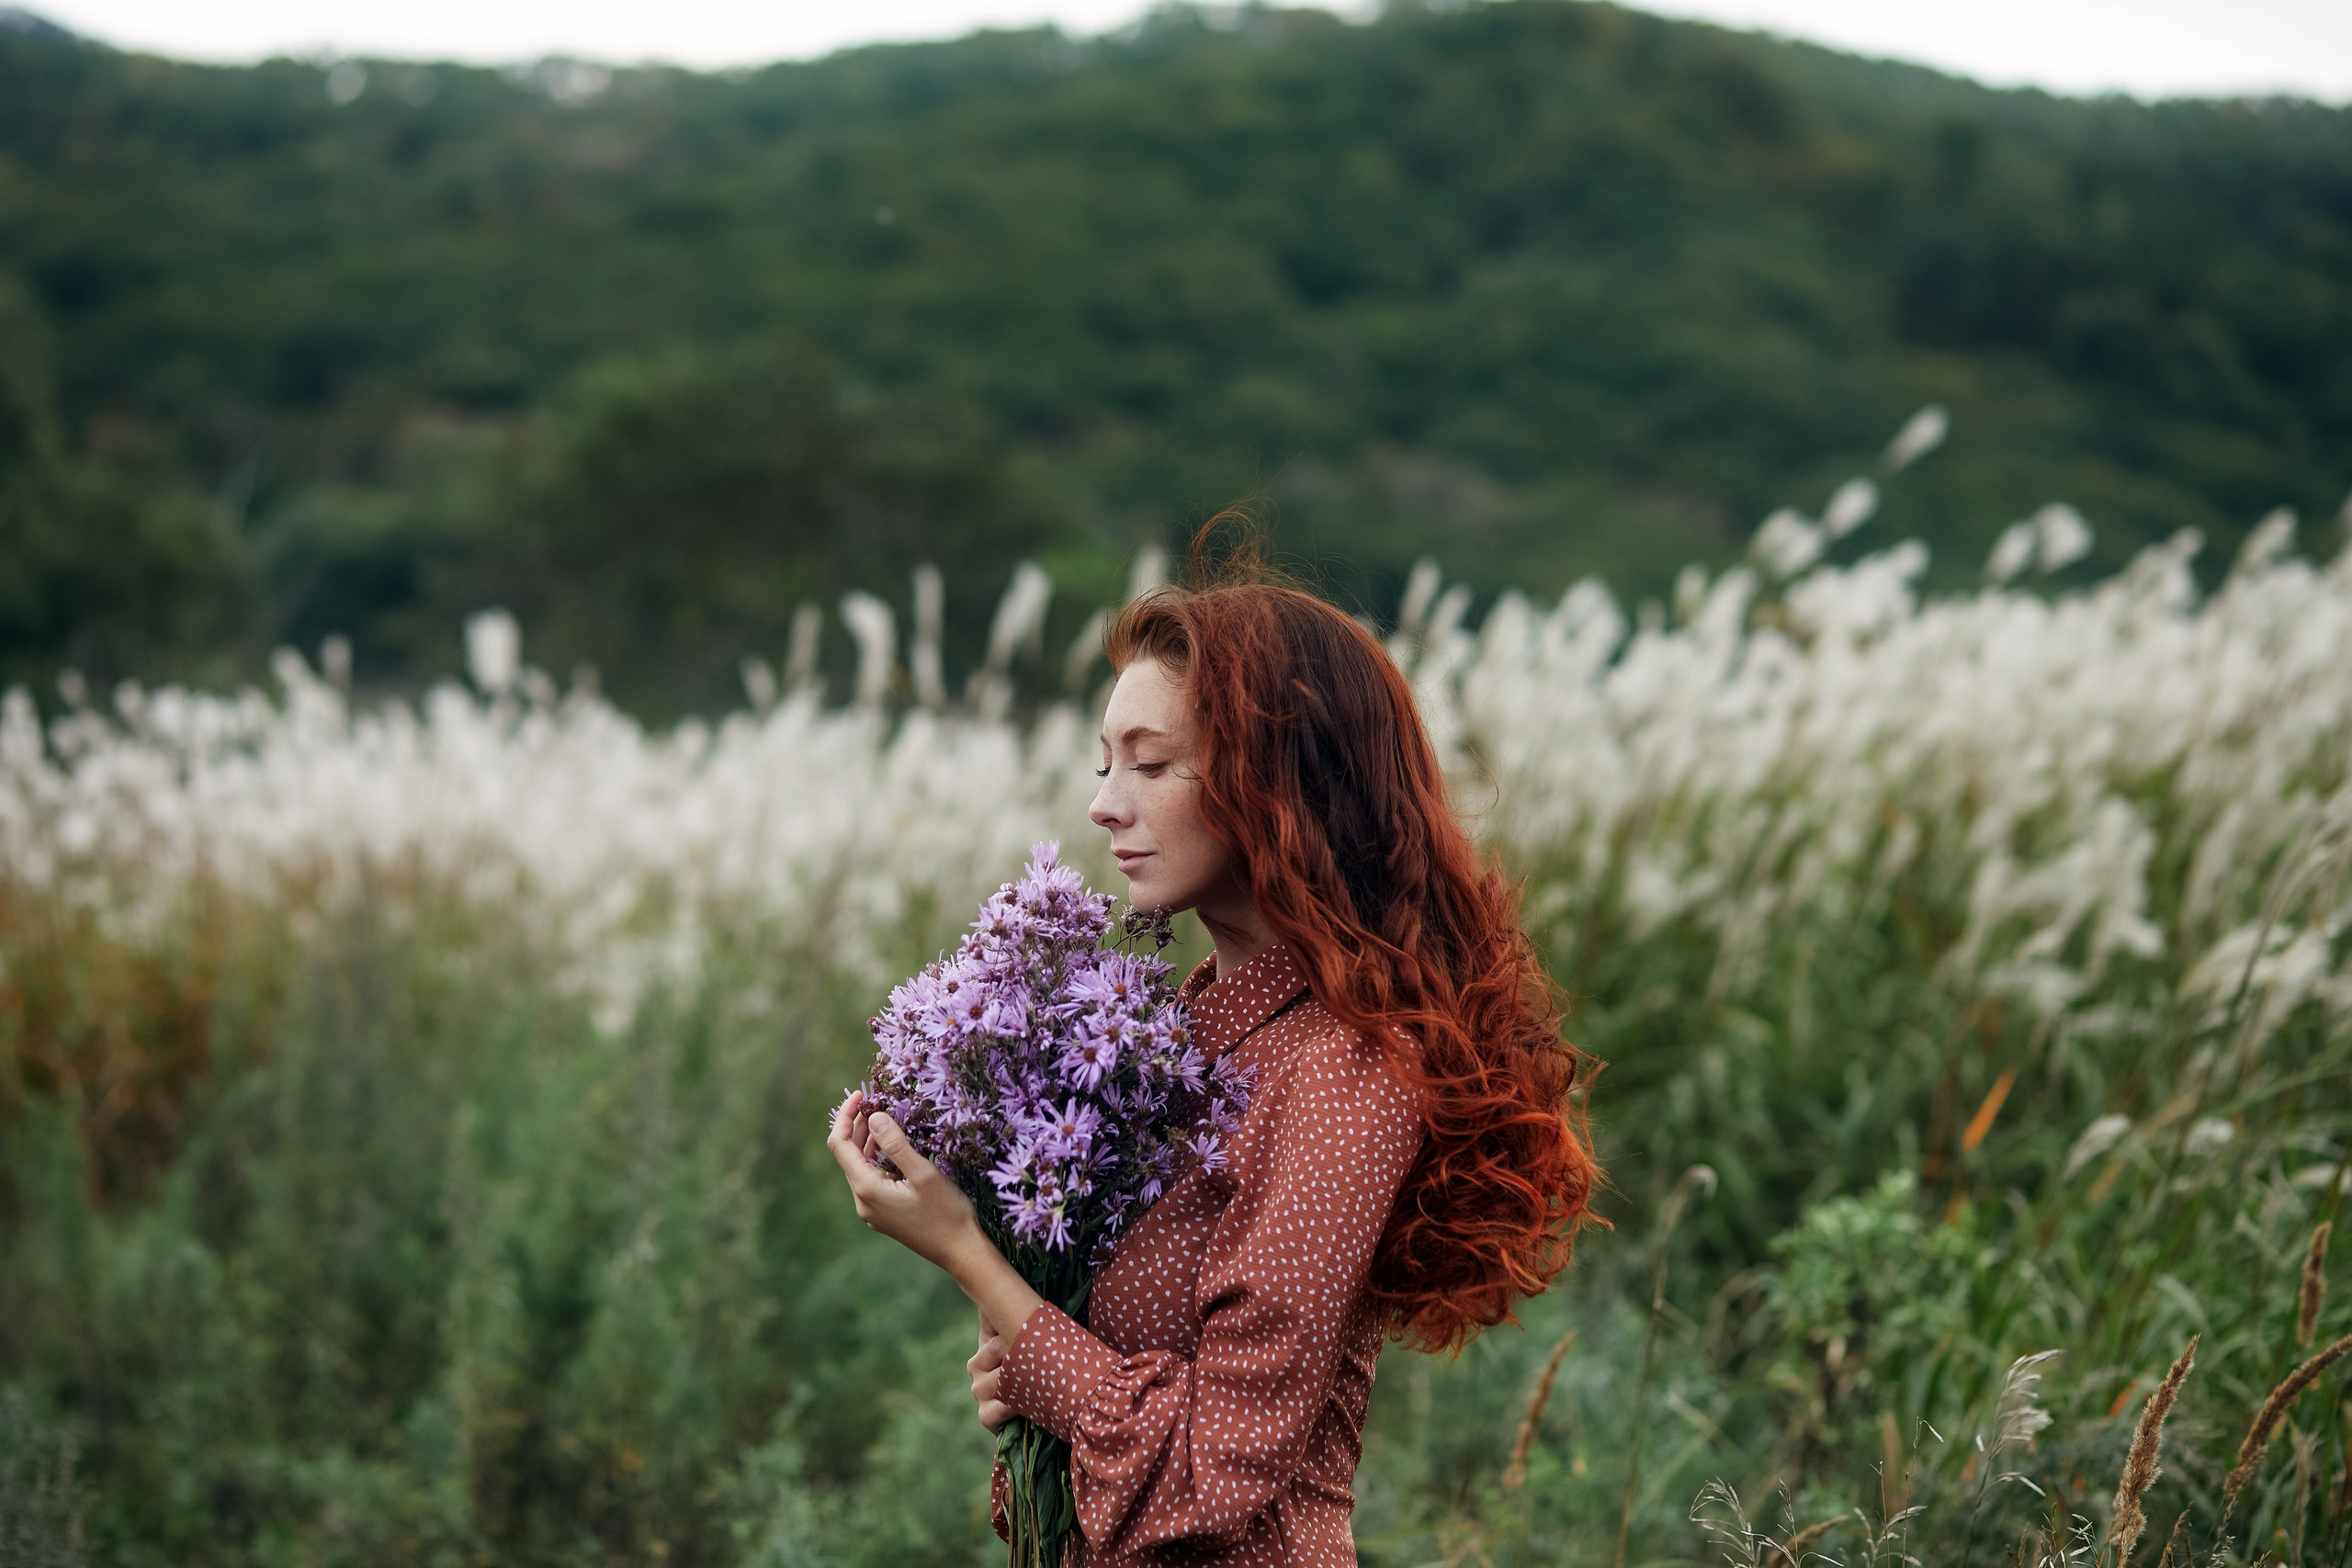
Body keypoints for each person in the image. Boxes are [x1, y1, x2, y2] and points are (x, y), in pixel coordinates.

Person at [826, 534, 1599, 1564]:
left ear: (1282, 777)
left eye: (1151, 763)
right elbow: (1107, 1399)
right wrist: (1024, 1354)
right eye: (1106, 765)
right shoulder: (1170, 1038)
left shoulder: (1344, 1072)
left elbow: (1208, 1475)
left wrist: (968, 1254)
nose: (1106, 803)